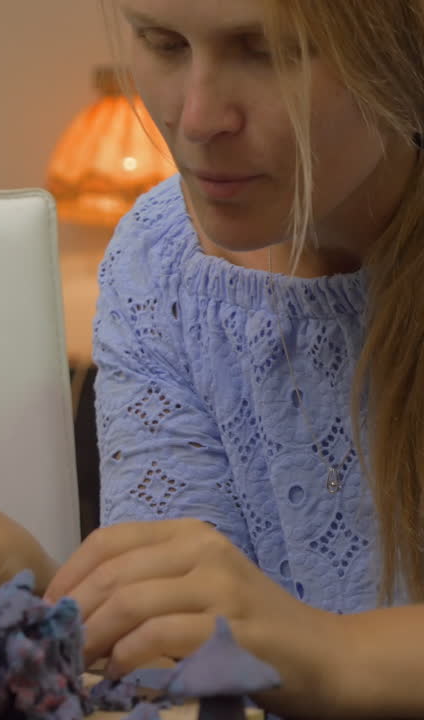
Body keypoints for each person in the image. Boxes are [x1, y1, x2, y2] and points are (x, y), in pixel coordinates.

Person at [40, 1, 424, 716]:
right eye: (162, 42)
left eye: (268, 51)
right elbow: (169, 652)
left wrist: (335, 657)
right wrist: (35, 586)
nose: (197, 118)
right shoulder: (159, 264)